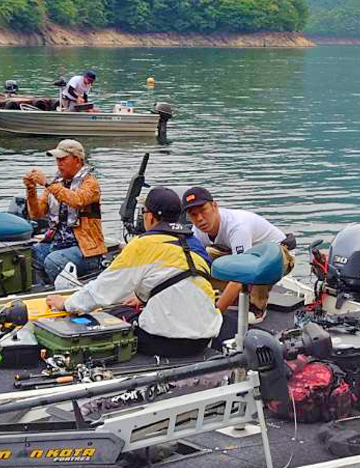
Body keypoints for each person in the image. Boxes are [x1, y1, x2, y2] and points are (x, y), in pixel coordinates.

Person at [46, 187, 222, 357]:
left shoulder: (143, 244)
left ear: (150, 217)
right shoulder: (195, 244)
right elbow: (173, 278)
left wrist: (67, 304)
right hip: (204, 338)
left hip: (166, 342)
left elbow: (103, 289)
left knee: (109, 315)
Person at [182, 187, 292, 320]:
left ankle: (257, 307)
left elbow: (241, 275)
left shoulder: (237, 227)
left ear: (214, 206)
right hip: (242, 252)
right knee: (200, 259)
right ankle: (231, 295)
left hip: (279, 255)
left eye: (203, 211)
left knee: (260, 268)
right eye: (193, 215)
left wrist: (216, 314)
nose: (199, 219)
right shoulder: (198, 230)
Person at [25, 139, 107, 282]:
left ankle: (63, 291)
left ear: (77, 160)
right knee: (32, 254)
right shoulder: (55, 184)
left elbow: (77, 200)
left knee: (53, 261)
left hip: (86, 251)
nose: (58, 163)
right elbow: (36, 214)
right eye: (57, 159)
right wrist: (31, 189)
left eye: (63, 159)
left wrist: (47, 183)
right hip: (58, 244)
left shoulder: (91, 184)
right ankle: (46, 288)